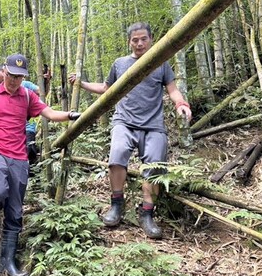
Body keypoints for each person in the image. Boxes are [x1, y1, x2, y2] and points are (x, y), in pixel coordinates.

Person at [69, 22, 192, 239]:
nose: (139, 43)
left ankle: (146, 213)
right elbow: (107, 89)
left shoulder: (161, 63)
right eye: (135, 40)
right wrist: (82, 83)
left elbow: (173, 90)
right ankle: (117, 204)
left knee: (155, 167)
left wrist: (181, 104)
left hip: (153, 124)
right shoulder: (120, 64)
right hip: (124, 122)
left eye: (143, 39)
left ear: (151, 39)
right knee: (116, 156)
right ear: (129, 42)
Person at [0, 54, 81, 276]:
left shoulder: (27, 96)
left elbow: (48, 112)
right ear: (4, 72)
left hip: (18, 156)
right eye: (11, 75)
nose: (14, 81)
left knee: (15, 210)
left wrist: (69, 115)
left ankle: (7, 261)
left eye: (19, 77)